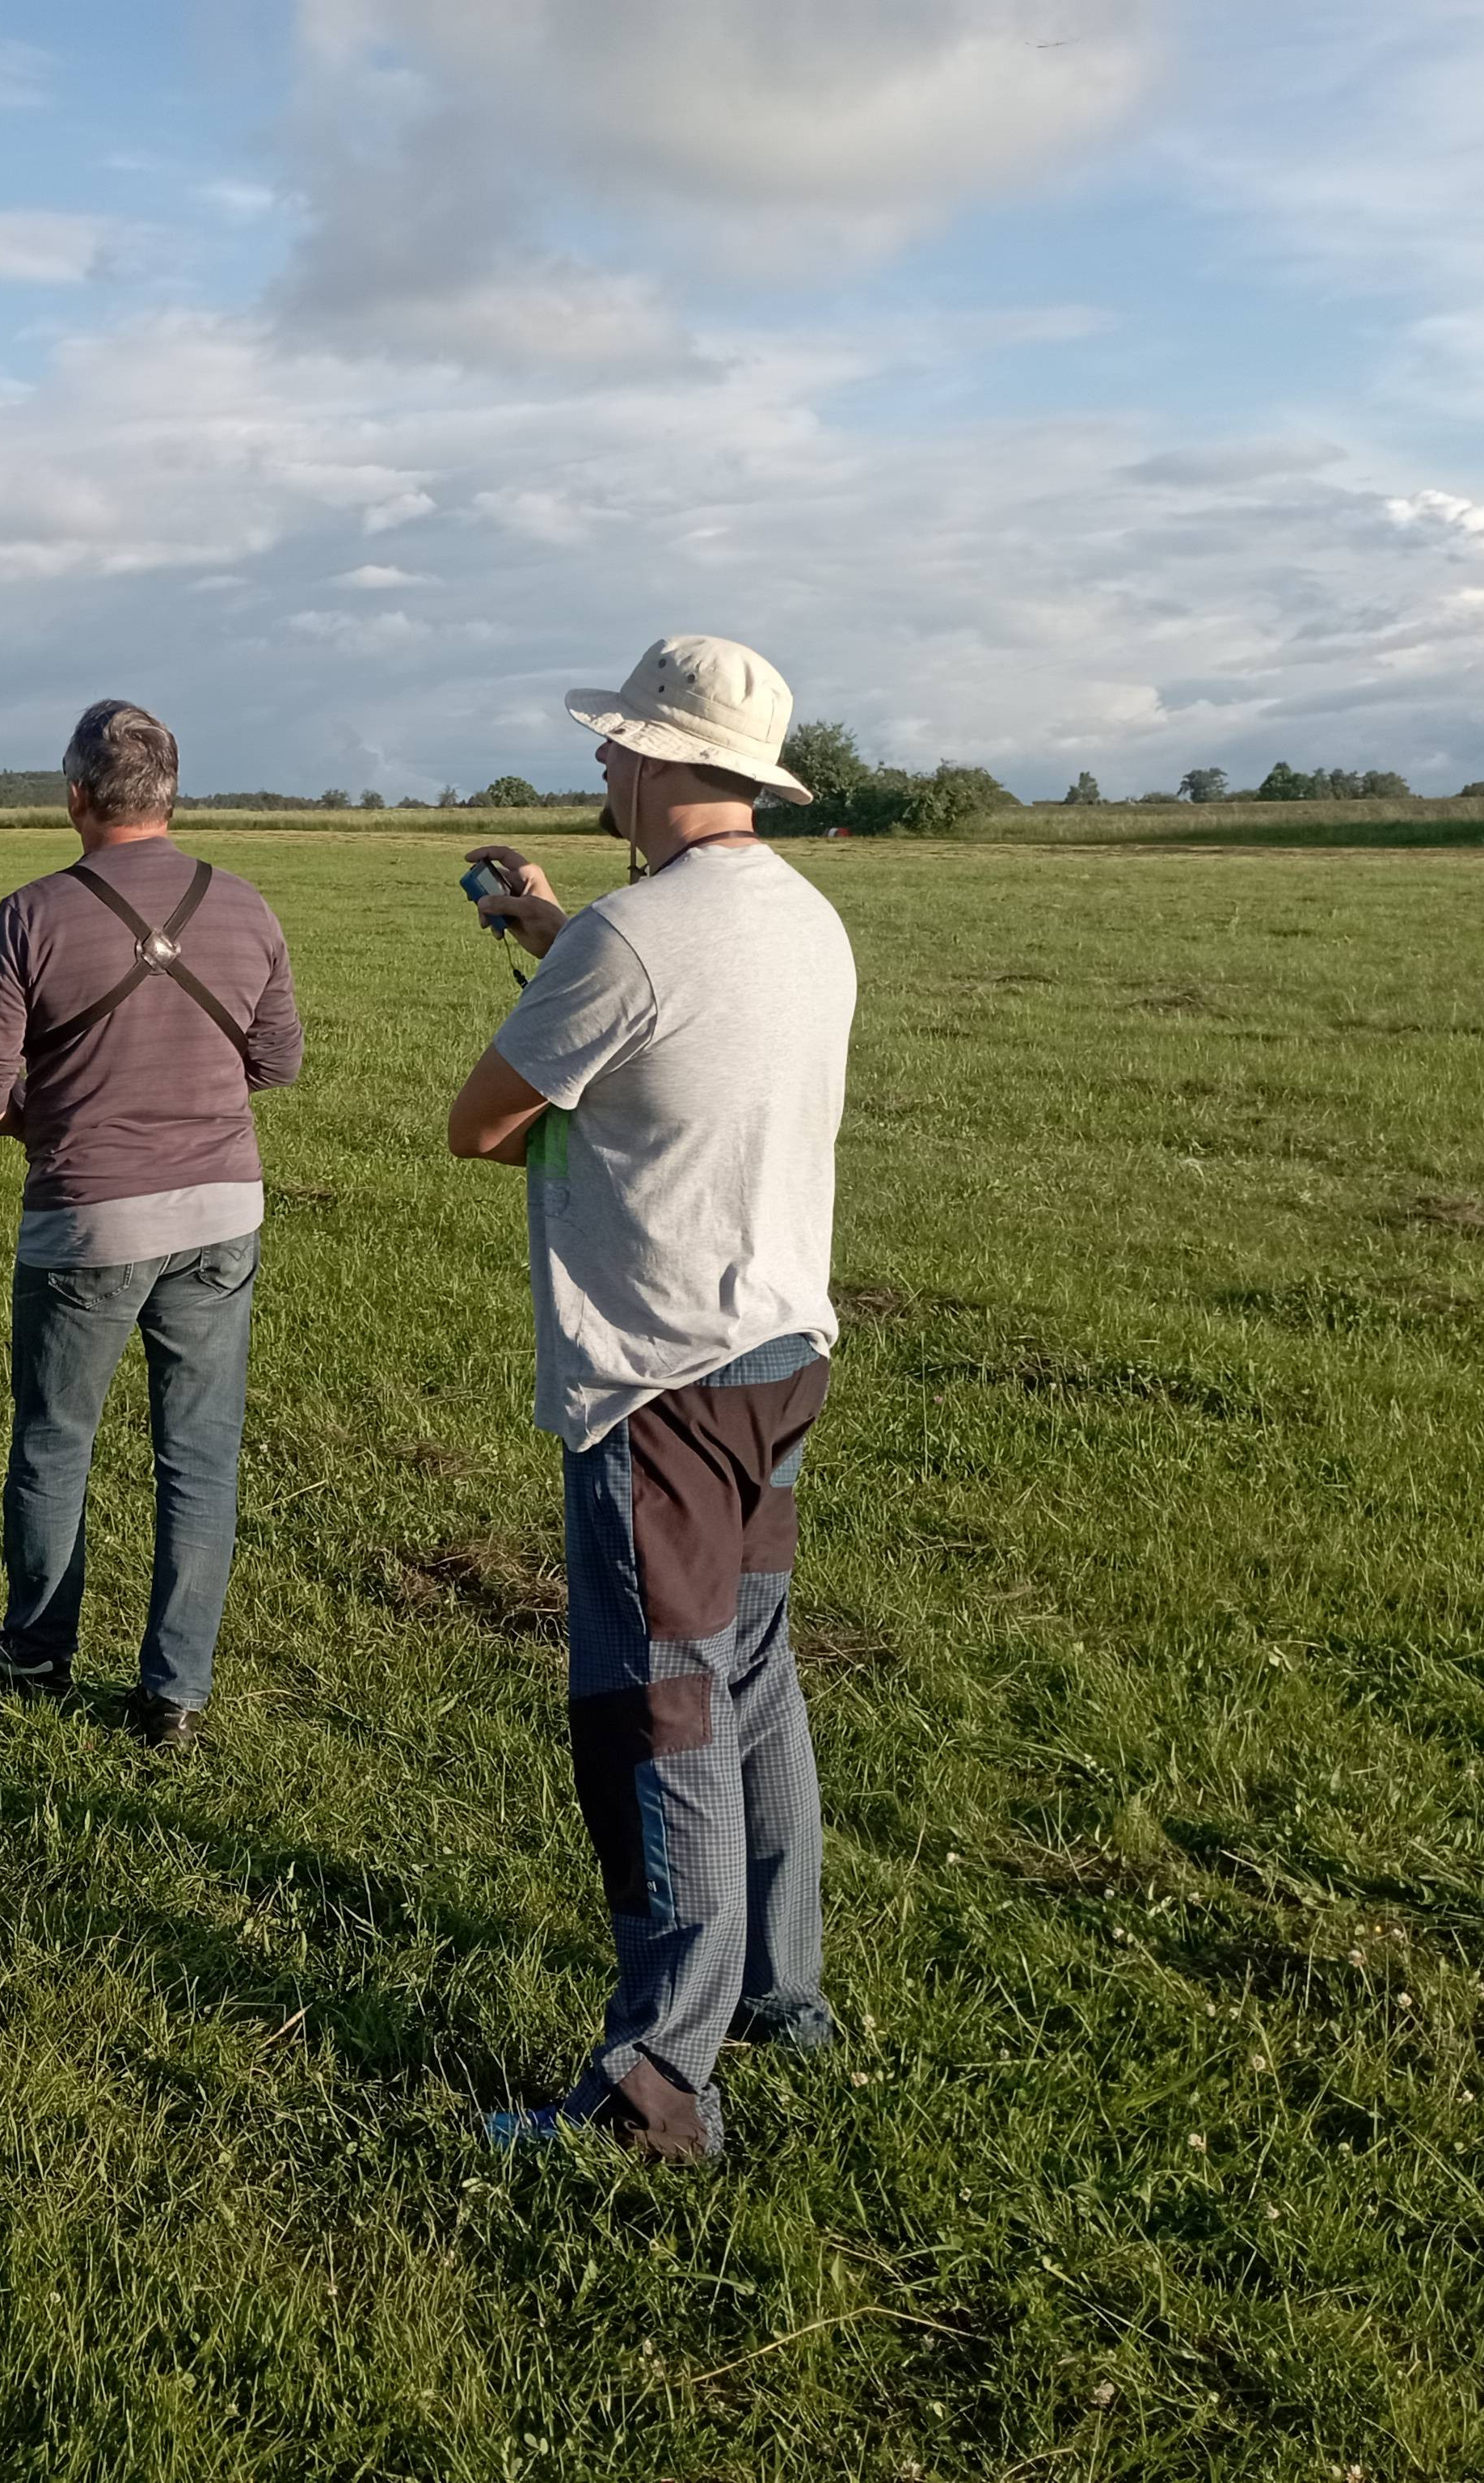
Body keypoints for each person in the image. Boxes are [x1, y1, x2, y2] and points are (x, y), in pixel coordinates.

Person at [441, 635, 857, 2161]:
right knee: (752, 1673)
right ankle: (781, 1998)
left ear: (675, 763)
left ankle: (654, 2095)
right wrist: (558, 933)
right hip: (781, 1353)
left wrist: (573, 948)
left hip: (657, 1382)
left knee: (660, 1708)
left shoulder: (629, 940)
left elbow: (481, 1125)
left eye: (619, 743)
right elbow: (683, 1022)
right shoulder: (804, 917)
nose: (603, 762)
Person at [0, 699, 304, 1749]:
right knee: (199, 1456)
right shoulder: (246, 906)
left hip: (86, 1222)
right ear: (172, 796)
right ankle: (174, 1695)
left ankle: (36, 1650)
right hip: (223, 1214)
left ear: (76, 797)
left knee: (55, 1443)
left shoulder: (32, 914)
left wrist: (52, 1125)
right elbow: (277, 1062)